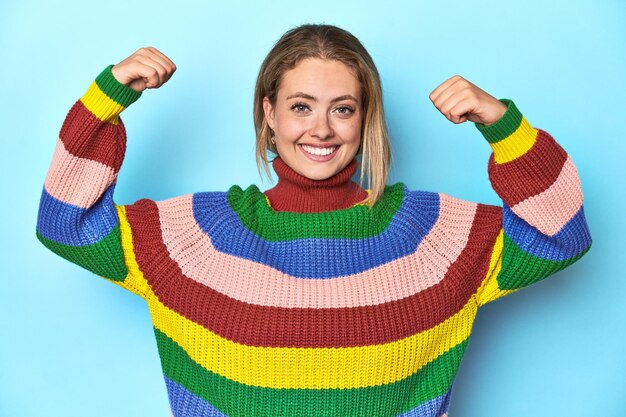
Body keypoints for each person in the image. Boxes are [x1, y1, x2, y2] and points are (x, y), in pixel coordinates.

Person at [36, 24, 591, 417]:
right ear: (268, 113)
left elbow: (559, 233)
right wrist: (105, 99)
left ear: (365, 119)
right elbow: (67, 222)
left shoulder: (434, 240)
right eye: (301, 106)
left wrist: (502, 124)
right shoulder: (193, 240)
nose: (322, 129)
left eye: (343, 108)